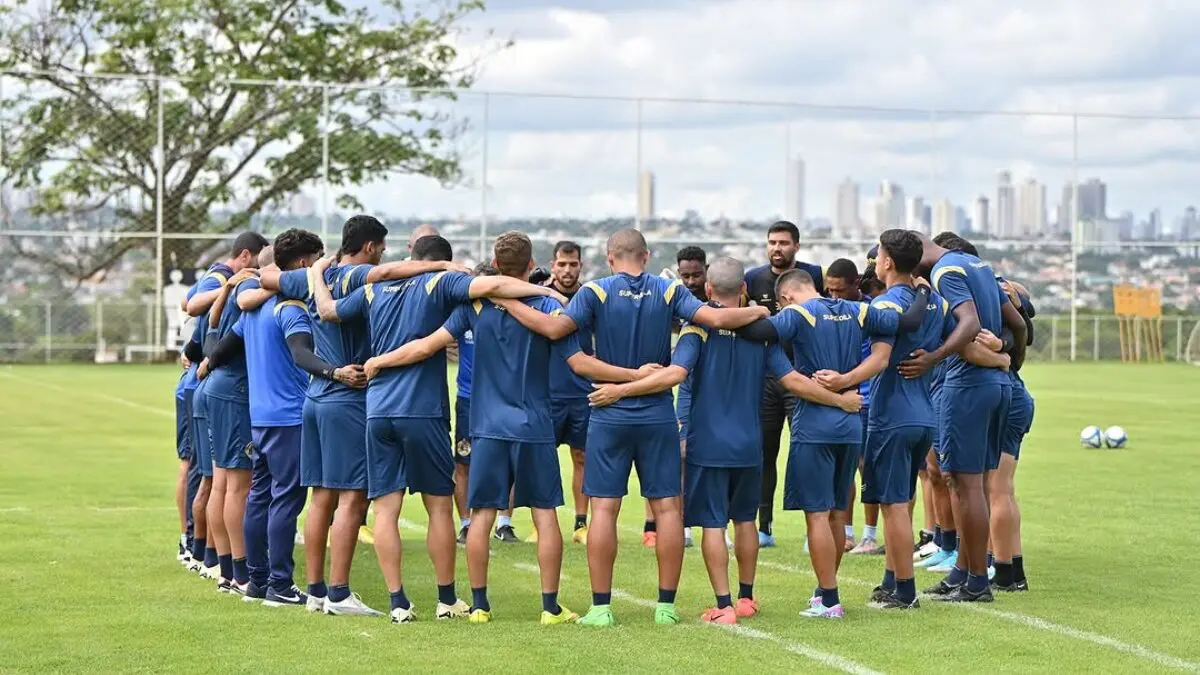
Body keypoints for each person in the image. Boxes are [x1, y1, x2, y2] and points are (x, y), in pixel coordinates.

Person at [493, 228, 769, 627]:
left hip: (609, 413)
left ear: (608, 257)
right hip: (657, 413)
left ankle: (602, 608)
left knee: (604, 508)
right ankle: (665, 608)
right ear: (647, 255)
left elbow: (560, 339)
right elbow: (717, 317)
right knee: (668, 509)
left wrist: (505, 298)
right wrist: (760, 311)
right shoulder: (667, 290)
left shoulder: (594, 292)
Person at [588, 257, 862, 625]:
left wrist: (620, 391)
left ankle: (724, 605)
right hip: (750, 442)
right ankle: (747, 598)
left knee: (713, 526)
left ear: (710, 290)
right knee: (745, 521)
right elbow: (794, 381)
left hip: (708, 444)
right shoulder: (761, 331)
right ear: (745, 289)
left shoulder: (697, 331)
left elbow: (674, 374)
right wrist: (840, 398)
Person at [310, 234, 563, 624]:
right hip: (424, 410)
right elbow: (486, 294)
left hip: (378, 409)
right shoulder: (444, 284)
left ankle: (399, 602)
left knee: (386, 509)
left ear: (411, 256)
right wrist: (548, 293)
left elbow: (327, 311)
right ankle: (449, 600)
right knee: (441, 507)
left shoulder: (374, 288)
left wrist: (315, 271)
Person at [735, 268, 930, 618]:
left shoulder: (796, 314)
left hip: (814, 425)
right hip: (852, 424)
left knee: (817, 516)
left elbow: (760, 336)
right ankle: (823, 590)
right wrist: (923, 293)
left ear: (786, 297)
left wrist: (753, 310)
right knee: (840, 514)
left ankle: (828, 599)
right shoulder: (859, 309)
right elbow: (909, 322)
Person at [813, 231, 989, 609]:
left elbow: (876, 350)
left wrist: (842, 382)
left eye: (878, 257)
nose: (875, 263)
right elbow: (961, 337)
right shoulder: (938, 304)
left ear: (888, 262)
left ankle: (904, 592)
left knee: (893, 504)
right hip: (925, 414)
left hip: (892, 414)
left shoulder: (888, 304)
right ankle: (892, 580)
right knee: (902, 500)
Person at [897, 232, 1027, 603]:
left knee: (964, 484)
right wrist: (1008, 361)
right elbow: (1018, 325)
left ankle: (976, 582)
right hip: (995, 385)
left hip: (966, 385)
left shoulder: (944, 270)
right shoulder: (978, 265)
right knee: (970, 484)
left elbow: (968, 323)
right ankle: (962, 573)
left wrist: (933, 357)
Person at [205, 229, 325, 607]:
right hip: (290, 417)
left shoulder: (252, 310)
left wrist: (205, 359)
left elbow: (222, 348)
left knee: (260, 497)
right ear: (304, 263)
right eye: (319, 258)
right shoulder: (290, 309)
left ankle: (256, 581)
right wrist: (336, 372)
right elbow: (302, 355)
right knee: (286, 500)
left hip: (258, 417)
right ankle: (280, 584)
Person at [181, 232, 269, 576]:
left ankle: (212, 559)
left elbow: (200, 335)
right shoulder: (246, 291)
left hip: (210, 389)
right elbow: (222, 337)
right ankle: (236, 569)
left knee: (216, 480)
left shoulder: (227, 290)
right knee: (234, 484)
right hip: (231, 391)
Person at [743, 220, 824, 547]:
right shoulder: (753, 278)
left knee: (807, 452)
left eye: (784, 243)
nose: (777, 248)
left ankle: (813, 528)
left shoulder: (813, 275)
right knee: (763, 453)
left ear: (797, 246)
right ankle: (764, 528)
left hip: (802, 377)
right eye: (772, 242)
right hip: (765, 379)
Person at [447, 263, 522, 545]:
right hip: (468, 399)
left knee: (507, 463)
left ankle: (504, 522)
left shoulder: (512, 313)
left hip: (504, 398)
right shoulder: (465, 313)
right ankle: (467, 524)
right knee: (464, 462)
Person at [824, 258, 881, 555]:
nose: (834, 297)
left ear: (856, 284)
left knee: (867, 468)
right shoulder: (826, 312)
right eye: (829, 291)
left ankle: (870, 535)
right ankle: (845, 532)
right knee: (843, 468)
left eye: (839, 291)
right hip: (842, 399)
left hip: (871, 398)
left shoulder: (872, 312)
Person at [543, 241, 592, 545]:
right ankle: (543, 521)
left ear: (580, 266)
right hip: (546, 392)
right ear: (553, 266)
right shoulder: (540, 296)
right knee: (543, 459)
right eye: (561, 264)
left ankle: (580, 523)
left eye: (572, 264)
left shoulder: (589, 298)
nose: (567, 270)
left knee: (582, 457)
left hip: (582, 392)